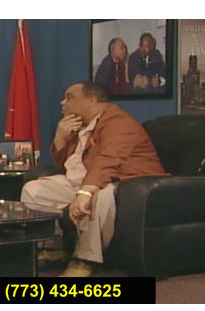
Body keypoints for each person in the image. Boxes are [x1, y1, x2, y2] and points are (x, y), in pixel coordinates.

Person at [20, 82, 166, 277]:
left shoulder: (120, 123)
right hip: (86, 180)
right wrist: (60, 138)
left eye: (69, 98)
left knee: (99, 195)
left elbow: (108, 160)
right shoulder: (81, 125)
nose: (62, 103)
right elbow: (65, 165)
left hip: (125, 184)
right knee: (34, 189)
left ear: (91, 100)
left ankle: (84, 260)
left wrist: (85, 192)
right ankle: (53, 248)